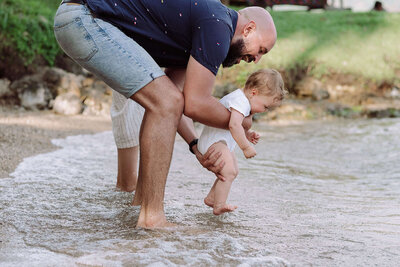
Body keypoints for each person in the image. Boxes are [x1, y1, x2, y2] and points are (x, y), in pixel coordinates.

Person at [54, 0, 277, 228]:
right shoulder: (218, 27)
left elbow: (179, 103)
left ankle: (141, 204)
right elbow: (196, 104)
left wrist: (195, 145)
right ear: (248, 29)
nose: (256, 60)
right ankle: (152, 218)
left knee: (164, 100)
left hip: (82, 19)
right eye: (260, 50)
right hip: (85, 18)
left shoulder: (209, 29)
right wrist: (242, 122)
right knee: (164, 101)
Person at [197, 69, 286, 215]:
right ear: (253, 93)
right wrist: (245, 146)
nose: (264, 110)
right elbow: (234, 125)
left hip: (220, 141)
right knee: (229, 171)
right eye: (265, 106)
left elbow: (235, 124)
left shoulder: (243, 101)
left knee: (234, 171)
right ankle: (219, 205)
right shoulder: (240, 101)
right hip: (213, 142)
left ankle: (212, 198)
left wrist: (247, 134)